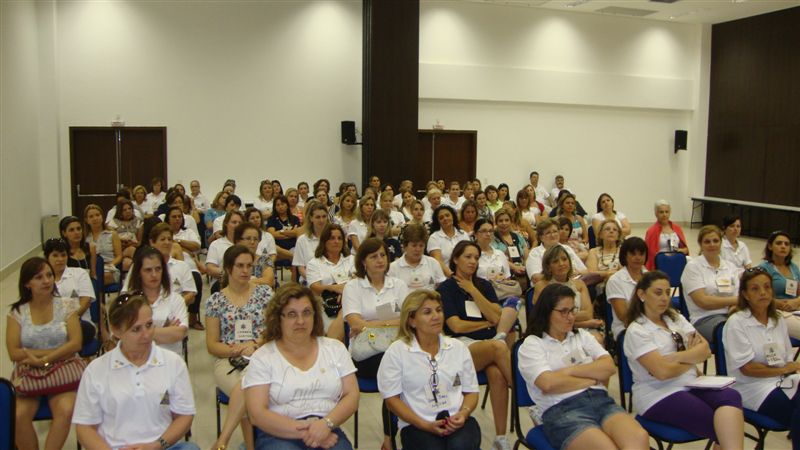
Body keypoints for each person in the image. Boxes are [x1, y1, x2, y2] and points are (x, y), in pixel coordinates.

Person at [518, 284, 649, 450]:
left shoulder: (582, 336)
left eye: (573, 310)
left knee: (639, 438)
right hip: (562, 409)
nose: (570, 317)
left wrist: (569, 371)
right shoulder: (533, 344)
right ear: (547, 312)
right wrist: (592, 380)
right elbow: (548, 384)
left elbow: (608, 367)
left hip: (601, 401)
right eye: (563, 311)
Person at [624, 271, 744, 450]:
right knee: (719, 422)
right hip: (658, 393)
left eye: (667, 292)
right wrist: (691, 356)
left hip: (690, 383)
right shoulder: (637, 330)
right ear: (642, 294)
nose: (664, 298)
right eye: (658, 293)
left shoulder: (675, 318)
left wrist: (676, 357)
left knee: (731, 396)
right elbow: (662, 373)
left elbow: (705, 350)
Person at [73, 293, 198, 450]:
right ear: (116, 331)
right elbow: (85, 427)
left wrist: (157, 445)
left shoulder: (174, 363)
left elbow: (184, 416)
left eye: (149, 325)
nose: (146, 335)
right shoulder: (96, 370)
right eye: (136, 329)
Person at [243, 283, 359, 449]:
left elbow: (352, 396)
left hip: (326, 425)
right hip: (278, 432)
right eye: (292, 314)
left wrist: (326, 424)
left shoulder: (335, 349)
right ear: (278, 318)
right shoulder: (263, 357)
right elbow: (257, 414)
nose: (300, 321)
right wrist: (307, 432)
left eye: (306, 313)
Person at [378, 290, 482, 450]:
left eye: (439, 310)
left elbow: (471, 392)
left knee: (461, 446)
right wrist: (425, 425)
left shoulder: (458, 348)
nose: (436, 316)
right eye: (427, 312)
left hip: (456, 420)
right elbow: (392, 400)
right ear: (412, 320)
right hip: (416, 424)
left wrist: (464, 413)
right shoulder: (396, 352)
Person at [436, 241, 515, 450]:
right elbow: (456, 325)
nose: (473, 261)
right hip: (460, 346)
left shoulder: (483, 285)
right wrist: (486, 324)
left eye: (476, 258)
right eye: (468, 257)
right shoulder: (446, 288)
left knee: (497, 374)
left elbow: (496, 316)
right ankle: (527, 395)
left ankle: (500, 437)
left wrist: (472, 289)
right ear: (455, 259)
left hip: (486, 344)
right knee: (499, 347)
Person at [7, 257, 84, 450]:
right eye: (39, 277)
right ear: (27, 284)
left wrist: (43, 359)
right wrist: (50, 355)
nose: (47, 281)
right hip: (29, 373)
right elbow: (14, 352)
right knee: (17, 415)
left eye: (49, 275)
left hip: (64, 371)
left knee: (66, 410)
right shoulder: (17, 312)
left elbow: (76, 343)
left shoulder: (67, 305)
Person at [723, 267, 800, 450]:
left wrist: (788, 369)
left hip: (784, 380)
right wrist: (785, 369)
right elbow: (748, 369)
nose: (763, 293)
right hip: (753, 388)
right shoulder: (736, 323)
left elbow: (788, 358)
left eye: (767, 287)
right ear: (745, 295)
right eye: (755, 289)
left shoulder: (777, 319)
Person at [206, 245, 273, 450]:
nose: (245, 271)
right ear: (228, 268)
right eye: (240, 266)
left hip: (263, 354)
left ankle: (223, 441)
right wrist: (238, 350)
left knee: (247, 386)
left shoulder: (265, 293)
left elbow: (275, 330)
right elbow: (212, 345)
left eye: (249, 266)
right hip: (228, 361)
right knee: (247, 386)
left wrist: (255, 344)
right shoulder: (215, 301)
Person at [680, 225, 740, 342]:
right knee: (731, 331)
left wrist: (733, 311)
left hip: (731, 314)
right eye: (707, 242)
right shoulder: (693, 267)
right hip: (704, 318)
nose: (712, 244)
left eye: (715, 241)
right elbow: (703, 302)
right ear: (701, 244)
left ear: (721, 243)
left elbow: (738, 297)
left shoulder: (730, 267)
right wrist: (734, 300)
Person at [532, 246, 603, 340]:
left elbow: (588, 314)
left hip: (581, 330)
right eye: (555, 261)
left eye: (564, 259)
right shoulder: (541, 286)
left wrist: (563, 316)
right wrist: (584, 323)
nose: (561, 264)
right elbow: (548, 318)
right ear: (548, 267)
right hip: (553, 332)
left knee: (597, 339)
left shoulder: (580, 284)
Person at [127, 247, 189, 355]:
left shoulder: (176, 299)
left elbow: (180, 333)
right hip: (136, 360)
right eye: (148, 270)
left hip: (170, 360)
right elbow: (124, 338)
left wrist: (137, 330)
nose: (154, 274)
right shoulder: (129, 302)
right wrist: (165, 330)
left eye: (158, 269)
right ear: (138, 273)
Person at [45, 238, 98, 347]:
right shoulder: (42, 279)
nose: (60, 259)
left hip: (79, 323)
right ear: (47, 258)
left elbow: (85, 302)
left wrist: (67, 321)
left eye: (63, 255)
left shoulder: (79, 273)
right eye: (55, 255)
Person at [307, 223, 354, 339]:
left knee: (346, 309)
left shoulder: (351, 259)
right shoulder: (314, 263)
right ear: (324, 241)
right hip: (325, 304)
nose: (336, 241)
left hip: (351, 300)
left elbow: (359, 279)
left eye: (339, 238)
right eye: (332, 238)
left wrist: (345, 291)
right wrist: (334, 288)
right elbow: (315, 288)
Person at [757, 230, 800, 339]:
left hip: (795, 308)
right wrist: (780, 303)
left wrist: (796, 301)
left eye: (787, 244)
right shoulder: (763, 269)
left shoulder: (794, 268)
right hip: (775, 311)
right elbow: (757, 297)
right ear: (770, 246)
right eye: (779, 243)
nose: (783, 246)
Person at [606, 237, 648, 340]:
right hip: (626, 329)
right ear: (625, 255)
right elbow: (623, 316)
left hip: (650, 324)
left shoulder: (651, 277)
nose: (638, 258)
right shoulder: (615, 280)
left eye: (641, 254)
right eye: (633, 254)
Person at [526, 218, 587, 283]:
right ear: (541, 237)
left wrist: (577, 273)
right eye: (548, 233)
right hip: (551, 286)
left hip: (575, 281)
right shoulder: (535, 253)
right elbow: (535, 278)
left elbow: (585, 271)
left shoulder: (567, 248)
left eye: (555, 231)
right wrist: (563, 276)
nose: (553, 235)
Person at [389, 223, 446, 291]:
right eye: (414, 245)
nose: (418, 249)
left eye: (421, 245)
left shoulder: (433, 263)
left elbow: (443, 289)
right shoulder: (393, 268)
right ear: (405, 246)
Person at [644, 199, 689, 270]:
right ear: (656, 214)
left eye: (666, 212)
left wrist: (682, 250)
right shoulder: (651, 231)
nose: (664, 214)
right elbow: (650, 255)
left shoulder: (677, 228)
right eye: (661, 212)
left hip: (677, 260)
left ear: (670, 213)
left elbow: (685, 249)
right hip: (661, 263)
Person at [428, 205, 470, 278]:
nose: (445, 218)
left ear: (453, 216)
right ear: (438, 221)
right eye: (441, 218)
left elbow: (469, 255)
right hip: (445, 277)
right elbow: (438, 261)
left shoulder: (463, 234)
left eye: (447, 215)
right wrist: (452, 277)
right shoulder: (434, 238)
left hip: (466, 275)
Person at [84, 204, 122, 284]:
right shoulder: (85, 238)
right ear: (87, 220)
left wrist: (109, 265)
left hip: (109, 269)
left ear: (102, 217)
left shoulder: (112, 234)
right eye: (91, 216)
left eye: (97, 215)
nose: (95, 218)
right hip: (92, 269)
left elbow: (119, 256)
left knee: (99, 277)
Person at [207, 210, 245, 290]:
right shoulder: (216, 244)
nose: (237, 225)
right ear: (226, 224)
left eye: (240, 223)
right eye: (234, 222)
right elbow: (210, 268)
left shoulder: (247, 243)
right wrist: (232, 274)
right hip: (222, 280)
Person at [491, 209, 529, 286]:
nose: (504, 223)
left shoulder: (518, 236)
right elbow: (497, 258)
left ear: (511, 221)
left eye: (507, 220)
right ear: (496, 223)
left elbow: (526, 253)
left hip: (522, 271)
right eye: (500, 221)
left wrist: (525, 267)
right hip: (504, 275)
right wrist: (514, 267)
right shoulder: (493, 239)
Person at [293, 202, 330, 281]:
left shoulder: (333, 238)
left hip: (332, 280)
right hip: (309, 280)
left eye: (324, 216)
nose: (321, 220)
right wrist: (315, 281)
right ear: (311, 218)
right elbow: (301, 269)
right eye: (317, 217)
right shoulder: (302, 240)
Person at [235, 222, 276, 287]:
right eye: (248, 238)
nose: (252, 242)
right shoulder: (231, 259)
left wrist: (243, 282)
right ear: (238, 241)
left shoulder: (264, 259)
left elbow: (269, 281)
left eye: (255, 239)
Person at [107, 198, 143, 269]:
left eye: (130, 209)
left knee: (127, 263)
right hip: (118, 250)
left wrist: (131, 243)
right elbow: (111, 242)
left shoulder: (138, 221)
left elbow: (139, 242)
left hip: (133, 247)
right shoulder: (113, 223)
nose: (128, 211)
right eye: (125, 210)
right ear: (120, 211)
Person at [585, 219, 622, 287]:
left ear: (618, 235)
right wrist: (608, 273)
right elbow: (591, 273)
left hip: (620, 284)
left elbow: (625, 272)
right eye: (607, 229)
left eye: (615, 230)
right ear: (600, 234)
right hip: (599, 287)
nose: (611, 231)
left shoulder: (623, 251)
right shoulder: (594, 252)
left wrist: (603, 274)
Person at [267, 194, 301, 266]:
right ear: (275, 207)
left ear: (287, 205)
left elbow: (297, 233)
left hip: (293, 247)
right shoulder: (272, 219)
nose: (280, 207)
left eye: (282, 204)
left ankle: (292, 258)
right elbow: (272, 234)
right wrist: (290, 233)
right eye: (277, 205)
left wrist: (279, 232)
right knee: (273, 249)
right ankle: (293, 257)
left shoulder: (295, 219)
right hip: (278, 249)